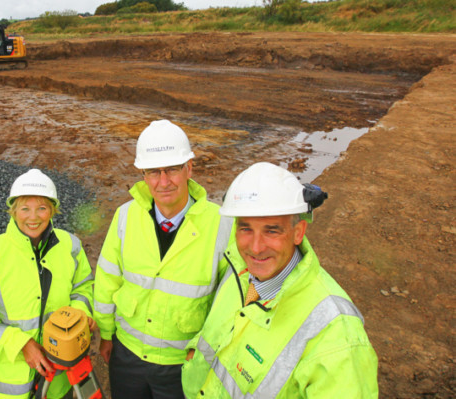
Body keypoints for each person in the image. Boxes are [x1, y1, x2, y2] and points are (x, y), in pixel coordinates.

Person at [181, 162, 378, 398]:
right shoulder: (238, 270)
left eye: (271, 231)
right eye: (246, 229)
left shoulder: (336, 335)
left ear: (298, 232)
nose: (255, 247)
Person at [94, 120, 234, 399]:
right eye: (154, 172)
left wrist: (204, 349)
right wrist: (107, 333)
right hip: (127, 356)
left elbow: (231, 299)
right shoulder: (125, 217)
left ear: (189, 168)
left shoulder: (222, 225)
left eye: (172, 169)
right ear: (143, 175)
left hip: (183, 363)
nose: (164, 181)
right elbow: (108, 278)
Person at [0, 168, 94, 398]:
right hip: (11, 386)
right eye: (25, 209)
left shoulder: (70, 246)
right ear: (13, 211)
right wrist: (21, 345)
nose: (33, 217)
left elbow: (83, 289)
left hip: (61, 377)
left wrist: (78, 317)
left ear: (52, 210)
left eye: (42, 208)